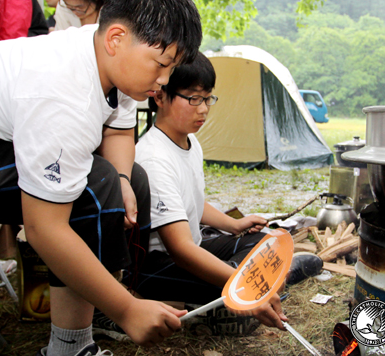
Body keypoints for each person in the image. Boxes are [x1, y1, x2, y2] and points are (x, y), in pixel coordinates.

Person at [0, 0, 202, 356]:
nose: (165, 80)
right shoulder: (61, 93)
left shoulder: (105, 51)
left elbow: (118, 128)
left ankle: (99, 295)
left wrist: (122, 180)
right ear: (117, 39)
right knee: (94, 189)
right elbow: (42, 229)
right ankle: (71, 344)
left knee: (127, 178)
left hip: (6, 137)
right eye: (161, 65)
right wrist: (127, 310)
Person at [105, 53, 323, 338]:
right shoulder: (154, 158)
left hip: (193, 247)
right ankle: (257, 286)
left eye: (208, 99)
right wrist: (241, 279)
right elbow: (182, 251)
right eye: (194, 99)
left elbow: (190, 202)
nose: (204, 109)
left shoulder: (191, 142)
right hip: (158, 267)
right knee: (235, 275)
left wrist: (232, 225)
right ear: (160, 96)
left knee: (264, 241)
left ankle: (253, 286)